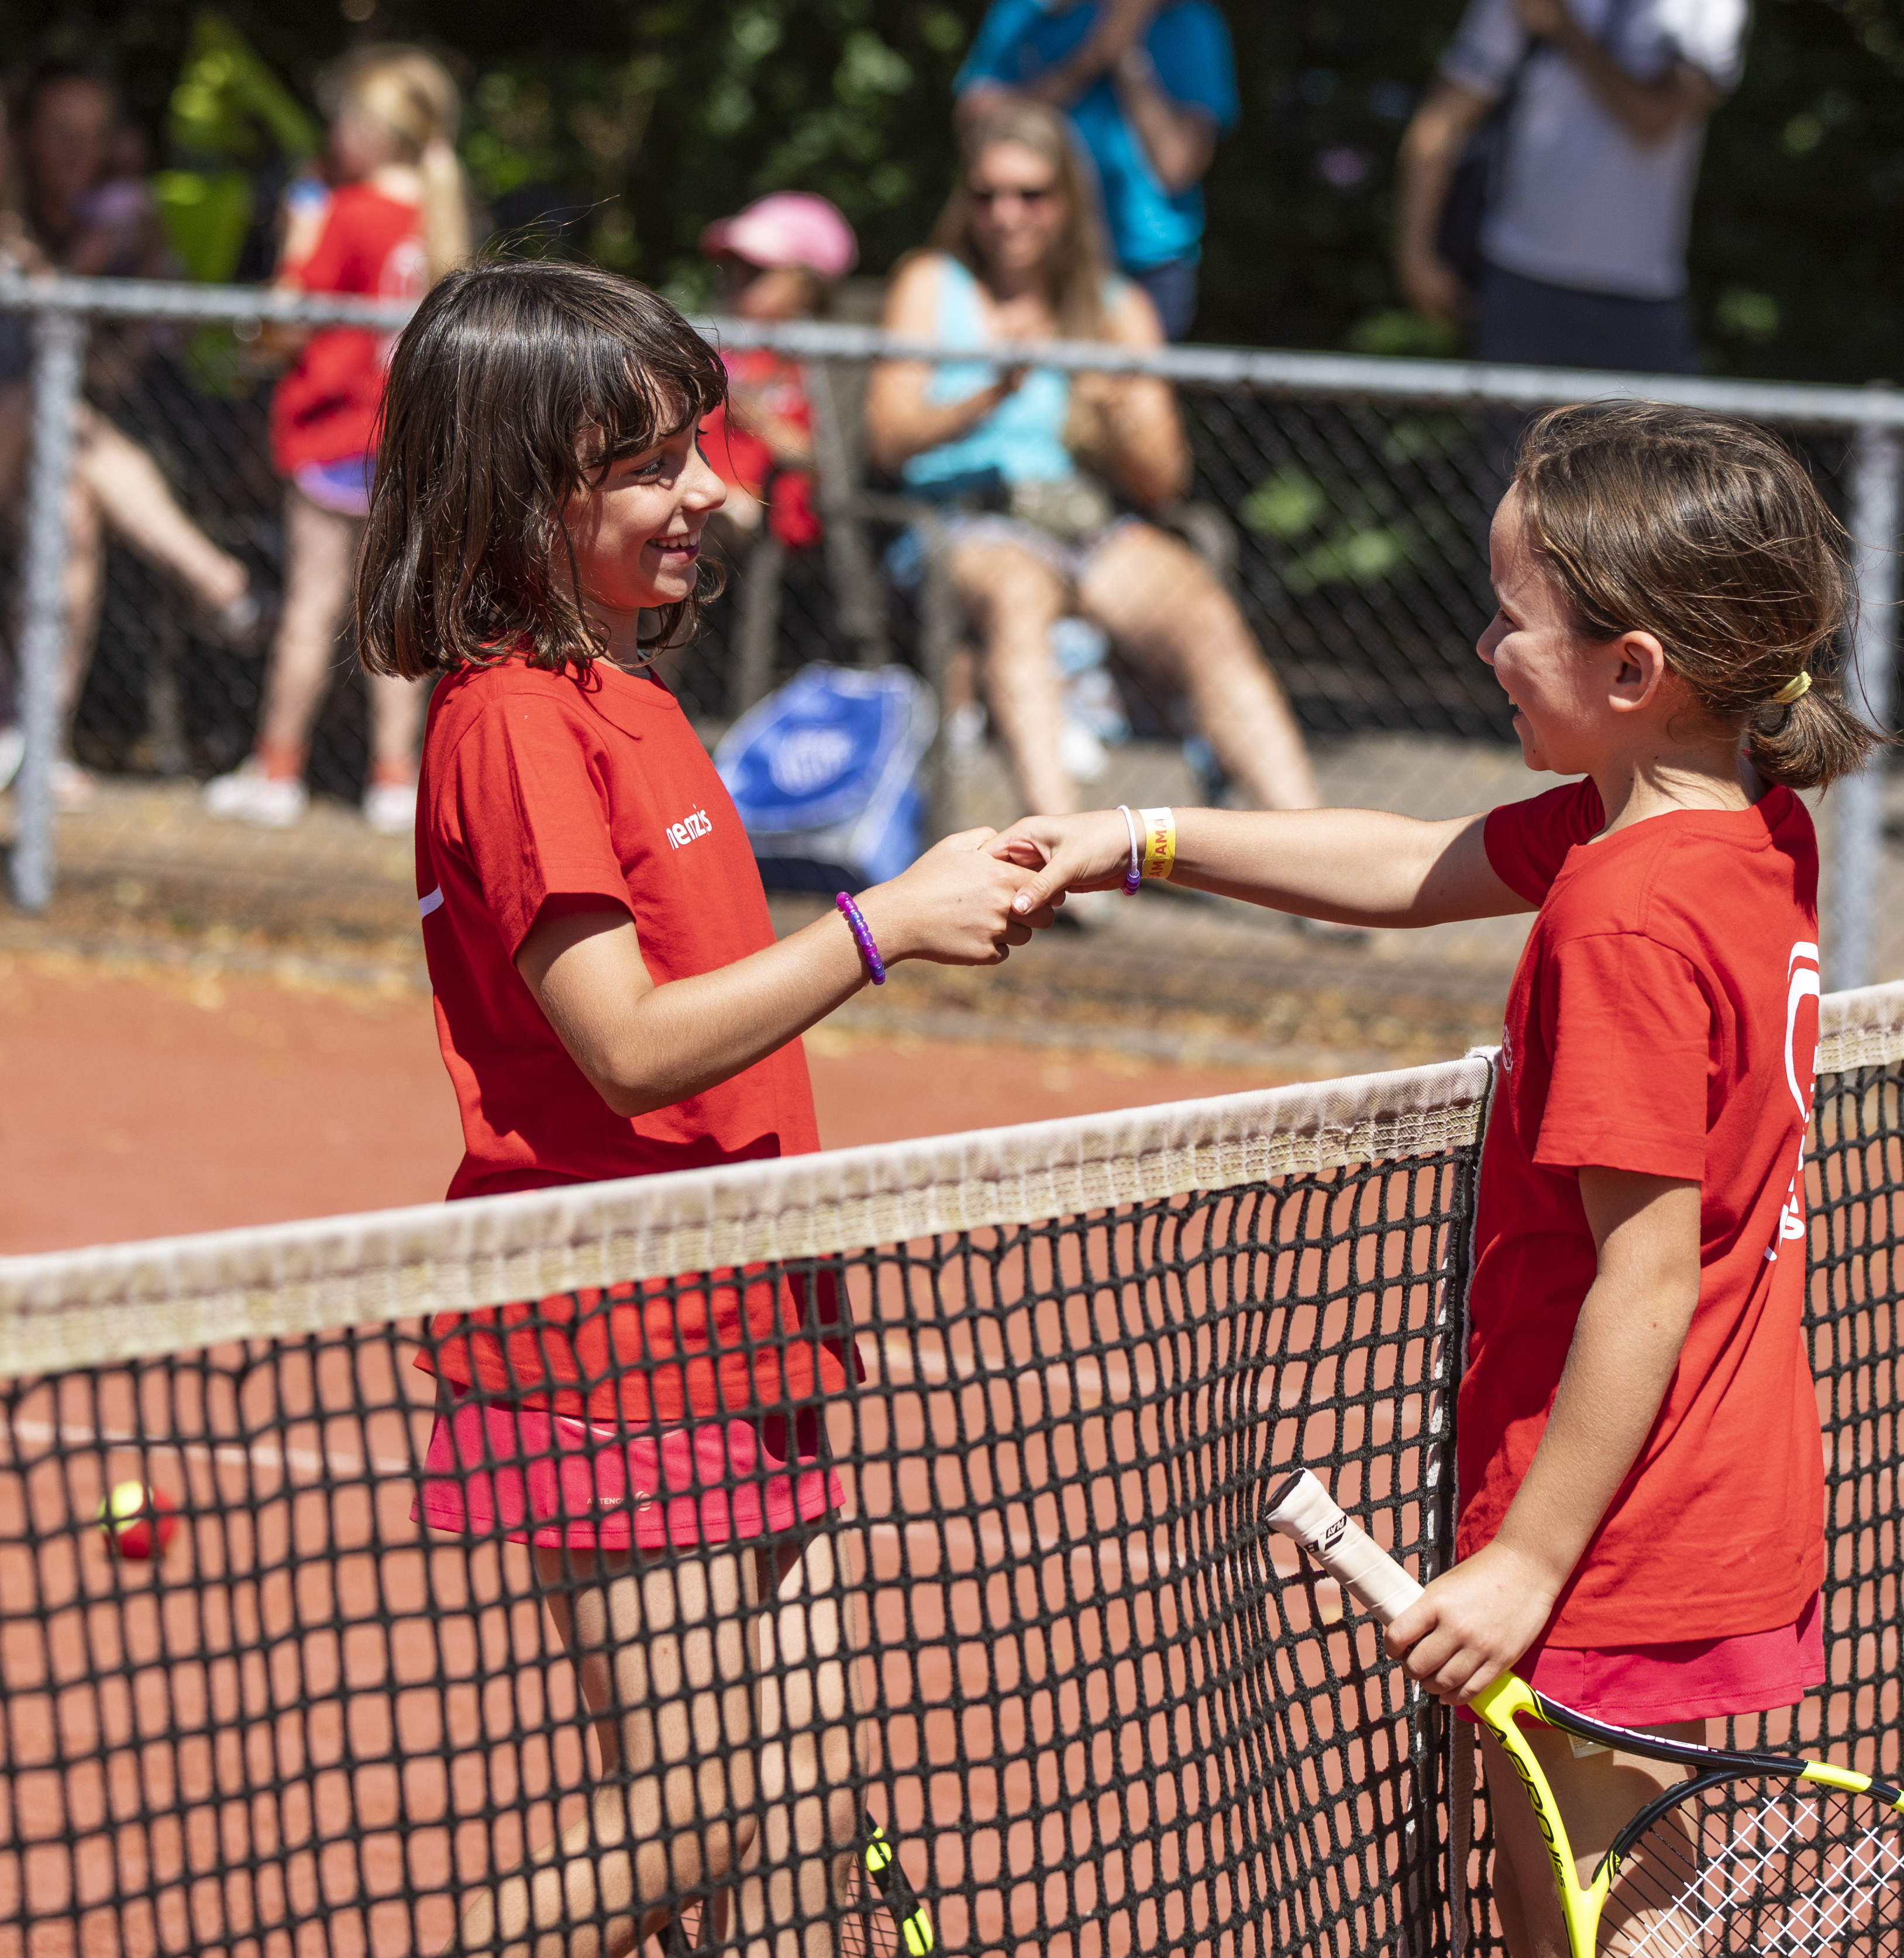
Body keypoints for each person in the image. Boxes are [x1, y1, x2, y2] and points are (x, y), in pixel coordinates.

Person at [989, 401, 1885, 1952]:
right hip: (1696, 1491)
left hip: (1619, 1525)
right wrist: (1139, 835)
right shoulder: (1742, 826)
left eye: (1510, 618)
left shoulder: (1620, 917)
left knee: (1602, 1912)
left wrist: (1528, 1561)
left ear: (1632, 672)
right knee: (1579, 1907)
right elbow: (1410, 865)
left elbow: (1646, 1269)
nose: (1481, 644)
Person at [355, 256, 1050, 1954]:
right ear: (529, 491)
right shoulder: (511, 726)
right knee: (696, 1812)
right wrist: (882, 926)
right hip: (610, 1340)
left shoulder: (635, 700)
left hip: (748, 1318)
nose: (710, 494)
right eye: (655, 462)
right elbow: (634, 1045)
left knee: (799, 1830)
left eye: (701, 450)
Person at [864, 98, 1321, 832]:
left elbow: (1163, 482)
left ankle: (1312, 855)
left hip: (1083, 521)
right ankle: (1060, 854)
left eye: (1030, 195)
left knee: (1201, 610)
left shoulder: (1116, 305)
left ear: (1067, 202)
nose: (1005, 214)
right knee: (1020, 593)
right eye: (986, 195)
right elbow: (885, 440)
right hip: (961, 522)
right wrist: (990, 391)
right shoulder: (930, 282)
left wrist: (1113, 415)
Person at [205, 46, 469, 833]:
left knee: (312, 606)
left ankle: (277, 768)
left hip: (336, 436)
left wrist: (297, 240)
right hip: (405, 442)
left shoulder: (349, 212)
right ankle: (394, 781)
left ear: (376, 130)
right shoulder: (440, 214)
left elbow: (287, 319)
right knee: (397, 611)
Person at [0, 57, 263, 805]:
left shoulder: (94, 223)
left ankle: (34, 738)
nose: (77, 155)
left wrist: (137, 261)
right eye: (59, 136)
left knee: (73, 513)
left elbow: (147, 350)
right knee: (57, 414)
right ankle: (214, 577)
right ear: (23, 140)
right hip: (20, 429)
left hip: (32, 463)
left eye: (92, 136)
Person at [1395, 0, 1748, 373]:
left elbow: (1654, 119)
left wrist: (1564, 28)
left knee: (1666, 434)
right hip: (1521, 287)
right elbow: (1442, 122)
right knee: (1515, 436)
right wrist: (1416, 254)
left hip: (1644, 297)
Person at [954, 0, 1236, 340]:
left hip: (1144, 268)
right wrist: (1090, 57)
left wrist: (1127, 55)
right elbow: (978, 128)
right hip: (1035, 262)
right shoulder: (1028, 12)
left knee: (1124, 392)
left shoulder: (1190, 23)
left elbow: (1176, 167)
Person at [697, 190, 859, 556]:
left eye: (757, 272)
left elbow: (826, 461)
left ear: (807, 288)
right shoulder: (718, 351)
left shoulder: (818, 370)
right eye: (734, 268)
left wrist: (759, 419)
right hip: (705, 494)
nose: (735, 282)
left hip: (768, 515)